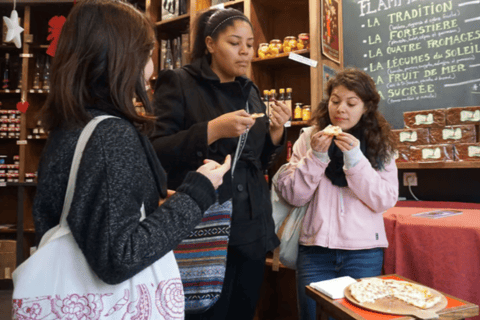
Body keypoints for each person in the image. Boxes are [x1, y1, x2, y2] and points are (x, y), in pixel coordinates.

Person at [31, 0, 230, 312]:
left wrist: (150, 198)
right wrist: (198, 191)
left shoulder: (72, 127)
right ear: (123, 59)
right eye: (146, 55)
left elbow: (90, 213)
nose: (152, 69)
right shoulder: (111, 137)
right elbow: (119, 256)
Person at [150, 8, 291, 319]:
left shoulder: (250, 91)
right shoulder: (179, 82)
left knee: (243, 311)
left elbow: (258, 161)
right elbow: (156, 150)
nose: (245, 52)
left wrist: (276, 133)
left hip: (252, 227)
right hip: (204, 229)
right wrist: (212, 130)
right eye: (234, 43)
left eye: (250, 44)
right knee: (203, 313)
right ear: (211, 44)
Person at [275, 68, 399, 320]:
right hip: (315, 251)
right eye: (335, 100)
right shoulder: (309, 137)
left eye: (351, 103)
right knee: (312, 316)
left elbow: (383, 200)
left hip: (364, 252)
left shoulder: (381, 143)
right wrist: (317, 156)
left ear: (365, 107)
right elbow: (294, 195)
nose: (341, 108)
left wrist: (355, 159)